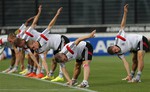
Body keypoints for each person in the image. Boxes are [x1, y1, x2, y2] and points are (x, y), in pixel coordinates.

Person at [107, 4, 149, 82]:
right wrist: (128, 74)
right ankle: (131, 75)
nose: (116, 50)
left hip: (140, 40)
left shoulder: (119, 38)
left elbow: (122, 25)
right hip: (134, 46)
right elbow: (125, 63)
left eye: (115, 49)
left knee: (140, 57)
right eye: (115, 52)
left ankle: (138, 77)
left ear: (113, 46)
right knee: (134, 61)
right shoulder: (119, 54)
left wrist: (125, 12)